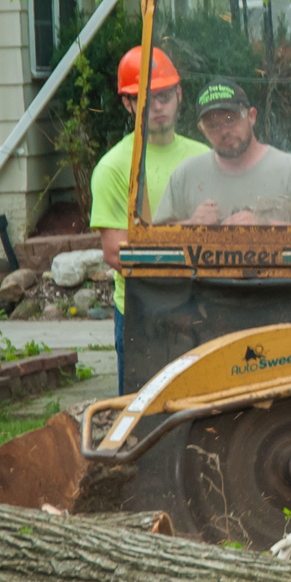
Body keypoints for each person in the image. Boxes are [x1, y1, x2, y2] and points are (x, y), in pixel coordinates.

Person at [90, 46, 208, 394]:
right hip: (142, 313)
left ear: (179, 94)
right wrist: (186, 230)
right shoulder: (113, 168)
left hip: (202, 304)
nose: (157, 107)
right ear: (128, 104)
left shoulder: (204, 158)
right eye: (146, 99)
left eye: (164, 96)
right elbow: (116, 253)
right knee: (142, 421)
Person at [153, 80, 291, 226]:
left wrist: (264, 225)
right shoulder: (186, 175)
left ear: (252, 116)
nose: (224, 131)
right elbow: (152, 240)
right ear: (202, 130)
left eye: (230, 119)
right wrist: (192, 224)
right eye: (213, 125)